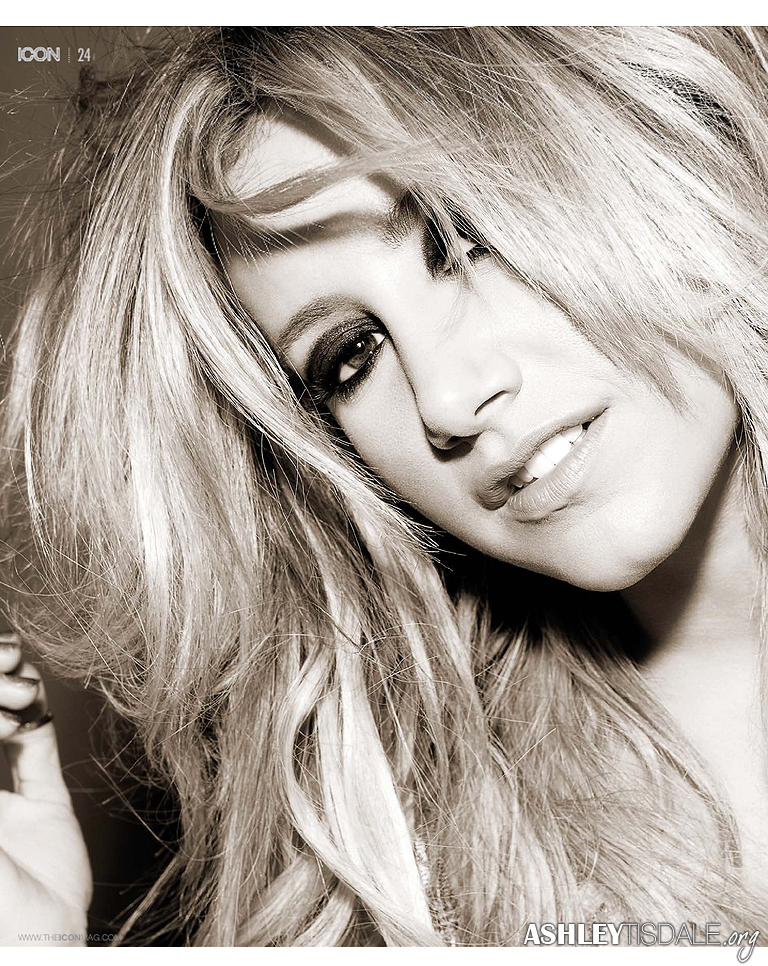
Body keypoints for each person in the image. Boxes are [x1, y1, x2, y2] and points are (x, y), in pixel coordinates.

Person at [1, 25, 767, 947]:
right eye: (351, 356)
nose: (444, 398)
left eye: (464, 237)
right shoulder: (430, 879)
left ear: (676, 132)